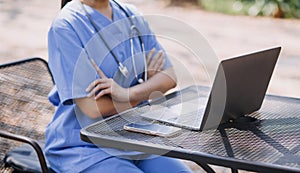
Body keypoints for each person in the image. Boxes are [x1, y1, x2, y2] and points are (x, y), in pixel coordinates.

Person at [45, 0, 193, 172]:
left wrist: (125, 94)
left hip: (137, 139)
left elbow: (169, 77)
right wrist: (147, 90)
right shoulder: (66, 26)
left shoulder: (130, 14)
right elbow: (93, 108)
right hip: (84, 147)